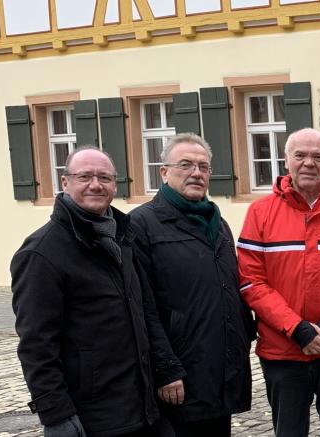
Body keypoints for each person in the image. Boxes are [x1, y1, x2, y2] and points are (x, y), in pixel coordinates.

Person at [12, 147, 174, 437]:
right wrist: (56, 414)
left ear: (115, 185)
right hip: (93, 416)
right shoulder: (42, 252)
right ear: (65, 183)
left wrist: (165, 371)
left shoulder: (122, 237)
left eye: (104, 177)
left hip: (142, 408)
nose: (96, 185)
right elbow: (36, 345)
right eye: (84, 176)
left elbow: (144, 312)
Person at [237, 128, 320, 437]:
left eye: (317, 156)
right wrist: (297, 328)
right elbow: (251, 281)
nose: (309, 162)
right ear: (286, 162)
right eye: (300, 155)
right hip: (283, 350)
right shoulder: (259, 213)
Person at [130, 133, 254, 436]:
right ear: (164, 172)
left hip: (221, 367)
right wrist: (166, 368)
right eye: (185, 165)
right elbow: (142, 307)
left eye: (203, 167)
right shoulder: (141, 224)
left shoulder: (217, 222)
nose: (196, 173)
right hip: (180, 372)